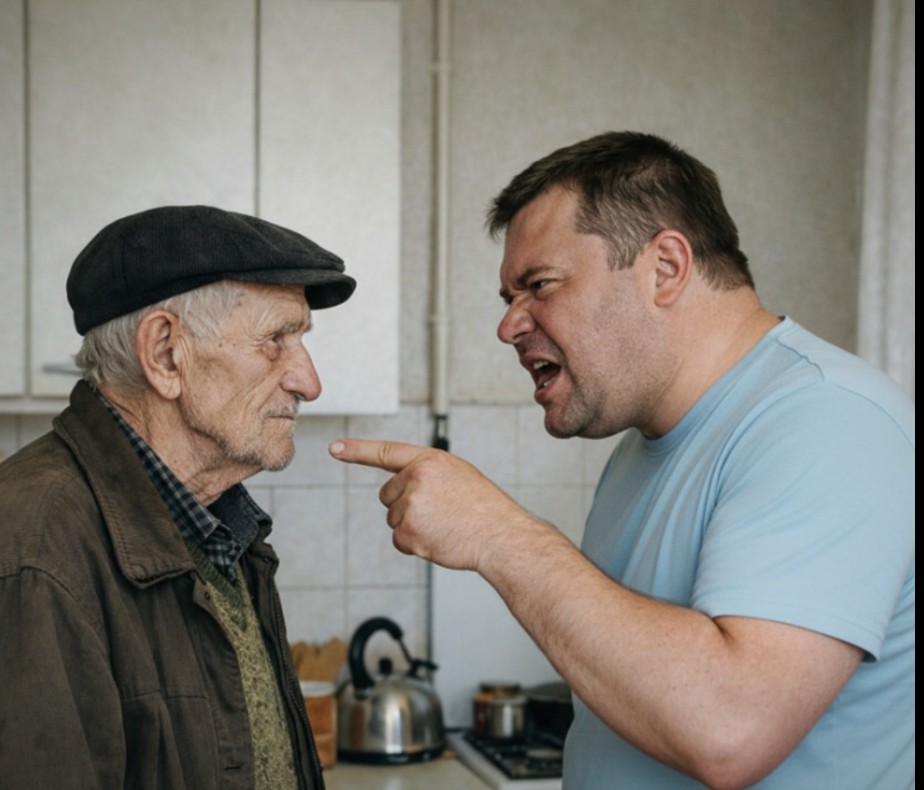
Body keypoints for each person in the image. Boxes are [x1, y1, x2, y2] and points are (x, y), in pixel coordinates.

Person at [329, 132, 915, 789]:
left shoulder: (827, 419)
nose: (509, 327)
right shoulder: (642, 446)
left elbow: (731, 728)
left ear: (664, 268)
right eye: (507, 299)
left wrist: (498, 535)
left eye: (538, 286)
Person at [0, 205, 355, 789]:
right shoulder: (34, 548)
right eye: (276, 340)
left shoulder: (221, 528)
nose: (308, 382)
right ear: (166, 353)